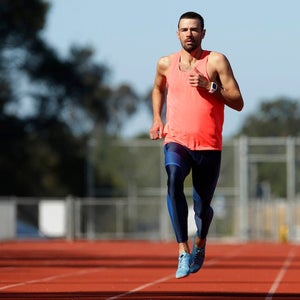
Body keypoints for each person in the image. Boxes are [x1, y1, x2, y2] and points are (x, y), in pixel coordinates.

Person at [149, 11, 244, 279]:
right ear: (177, 33)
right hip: (176, 139)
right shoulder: (166, 63)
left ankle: (200, 243)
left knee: (202, 207)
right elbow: (157, 88)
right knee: (173, 178)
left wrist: (210, 86)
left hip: (208, 146)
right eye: (184, 29)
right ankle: (182, 249)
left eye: (194, 29)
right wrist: (157, 117)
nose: (189, 34)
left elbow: (238, 101)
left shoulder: (216, 61)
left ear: (203, 33)